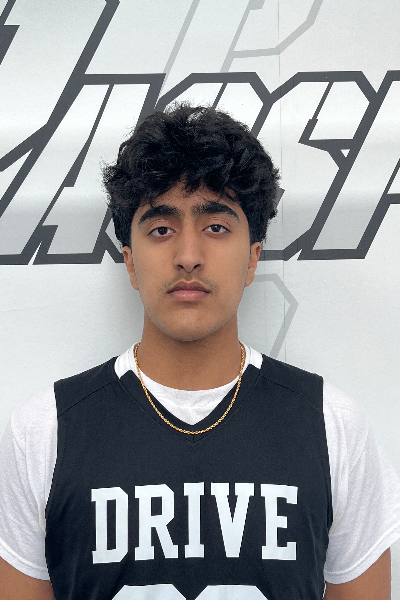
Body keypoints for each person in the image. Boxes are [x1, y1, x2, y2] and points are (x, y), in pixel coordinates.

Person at [0, 103, 399, 600]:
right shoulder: (43, 432)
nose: (188, 256)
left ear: (252, 258)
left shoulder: (331, 424)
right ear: (130, 261)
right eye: (161, 229)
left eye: (216, 227)